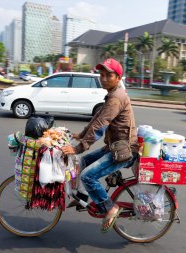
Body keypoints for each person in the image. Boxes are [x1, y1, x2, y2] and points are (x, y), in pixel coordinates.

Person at [61, 58, 139, 233]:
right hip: (114, 146)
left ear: (118, 77)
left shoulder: (116, 98)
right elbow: (96, 119)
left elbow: (100, 126)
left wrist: (78, 147)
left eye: (108, 75)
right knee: (83, 162)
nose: (103, 78)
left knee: (88, 176)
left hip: (123, 151)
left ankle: (110, 207)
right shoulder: (112, 95)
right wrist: (80, 135)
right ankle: (82, 196)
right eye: (101, 75)